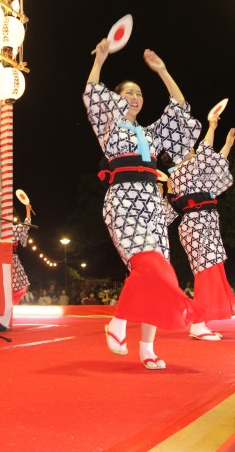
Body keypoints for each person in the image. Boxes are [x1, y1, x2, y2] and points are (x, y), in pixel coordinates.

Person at [84, 40, 204, 370]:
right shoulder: (108, 127)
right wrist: (101, 59)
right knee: (146, 266)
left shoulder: (150, 134)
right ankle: (118, 322)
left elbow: (180, 111)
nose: (134, 98)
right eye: (127, 93)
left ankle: (148, 347)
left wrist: (163, 71)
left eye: (138, 93)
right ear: (115, 100)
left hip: (152, 204)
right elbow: (93, 92)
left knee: (162, 273)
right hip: (123, 202)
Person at [166, 117, 235, 340]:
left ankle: (201, 321)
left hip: (205, 222)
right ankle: (197, 324)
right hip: (196, 223)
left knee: (211, 269)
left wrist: (226, 146)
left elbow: (213, 170)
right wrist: (212, 127)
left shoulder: (192, 171)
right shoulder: (179, 172)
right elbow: (206, 154)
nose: (192, 149)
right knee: (205, 271)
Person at [0, 201, 32, 306]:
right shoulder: (2, 227)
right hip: (4, 259)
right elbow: (25, 226)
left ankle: (8, 304)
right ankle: (5, 304)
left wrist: (28, 210)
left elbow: (25, 227)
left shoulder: (4, 227)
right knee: (8, 284)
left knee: (17, 284)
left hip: (8, 258)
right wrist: (28, 210)